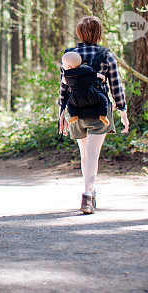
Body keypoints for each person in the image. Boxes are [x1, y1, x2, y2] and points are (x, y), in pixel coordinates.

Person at [57, 15, 129, 214]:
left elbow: (63, 87)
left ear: (79, 33)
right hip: (100, 111)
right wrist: (122, 109)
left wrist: (61, 113)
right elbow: (115, 85)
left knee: (84, 154)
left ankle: (89, 192)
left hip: (75, 111)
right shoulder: (106, 55)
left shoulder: (68, 55)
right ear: (99, 33)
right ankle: (88, 196)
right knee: (93, 155)